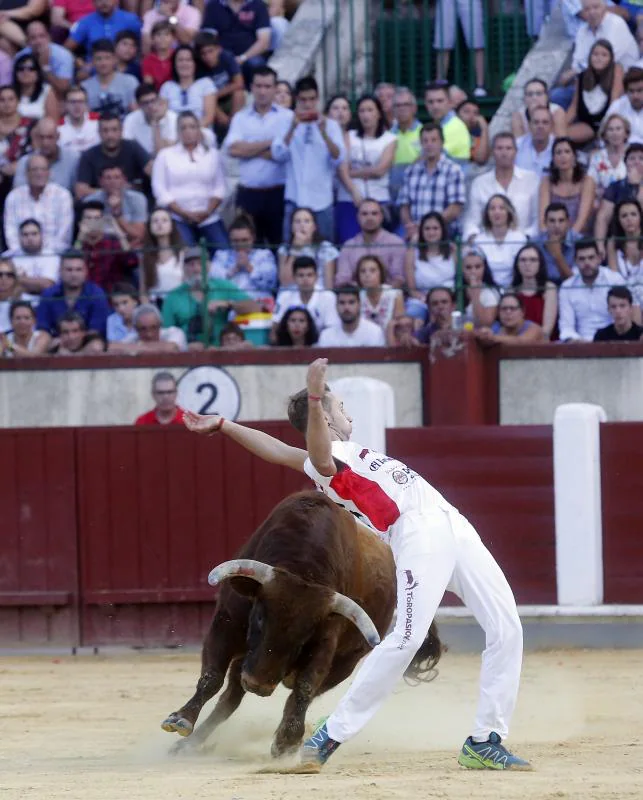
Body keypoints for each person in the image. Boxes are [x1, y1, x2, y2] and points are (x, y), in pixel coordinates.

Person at [182, 356, 530, 772]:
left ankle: (485, 740)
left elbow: (276, 451)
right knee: (404, 637)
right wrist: (314, 397)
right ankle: (329, 736)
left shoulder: (340, 454)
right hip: (418, 532)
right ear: (326, 419)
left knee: (507, 626)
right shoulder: (327, 463)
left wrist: (224, 425)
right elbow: (314, 452)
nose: (350, 414)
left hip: (452, 523)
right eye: (342, 408)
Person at [223, 65, 293, 248]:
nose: (262, 91)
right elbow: (234, 150)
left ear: (275, 88)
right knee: (250, 248)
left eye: (267, 86)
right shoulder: (240, 118)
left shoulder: (287, 118)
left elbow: (285, 154)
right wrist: (270, 142)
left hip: (278, 192)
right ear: (251, 88)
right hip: (249, 193)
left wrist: (250, 149)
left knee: (280, 246)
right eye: (258, 86)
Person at [272, 75, 346, 242]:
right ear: (297, 99)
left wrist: (324, 132)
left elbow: (339, 158)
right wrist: (293, 127)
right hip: (294, 197)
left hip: (322, 201)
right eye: (303, 100)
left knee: (325, 250)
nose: (308, 104)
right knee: (291, 248)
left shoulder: (331, 126)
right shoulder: (285, 122)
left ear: (317, 99)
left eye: (312, 99)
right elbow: (278, 154)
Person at [151, 110, 227, 249]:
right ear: (177, 131)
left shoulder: (212, 155)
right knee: (185, 254)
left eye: (192, 127)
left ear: (199, 130)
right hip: (178, 217)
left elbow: (220, 187)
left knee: (224, 252)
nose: (188, 131)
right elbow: (159, 189)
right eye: (183, 127)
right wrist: (184, 213)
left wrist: (208, 211)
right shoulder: (165, 155)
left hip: (208, 216)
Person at [161, 246, 259, 347]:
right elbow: (166, 332)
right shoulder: (173, 297)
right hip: (189, 351)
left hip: (222, 349)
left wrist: (229, 304)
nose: (196, 269)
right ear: (184, 268)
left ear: (209, 266)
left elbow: (255, 307)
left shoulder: (223, 286)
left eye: (201, 263)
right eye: (191, 265)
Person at [552, 0, 638, 111]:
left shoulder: (616, 23)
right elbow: (577, 62)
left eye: (596, 7)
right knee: (556, 96)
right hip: (592, 82)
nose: (592, 12)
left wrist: (574, 72)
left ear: (604, 8)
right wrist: (573, 73)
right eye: (587, 9)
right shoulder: (582, 30)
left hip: (619, 83)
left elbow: (605, 62)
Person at [335, 94, 397, 244]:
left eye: (370, 110)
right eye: (362, 111)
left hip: (379, 198)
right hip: (349, 199)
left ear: (378, 113)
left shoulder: (390, 139)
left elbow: (380, 170)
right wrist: (354, 191)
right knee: (349, 243)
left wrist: (352, 172)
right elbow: (341, 169)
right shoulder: (349, 136)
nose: (366, 115)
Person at [398, 122, 466, 240]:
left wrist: (427, 227)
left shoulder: (453, 170)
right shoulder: (411, 171)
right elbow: (404, 206)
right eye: (425, 141)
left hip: (444, 233)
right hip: (415, 234)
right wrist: (410, 226)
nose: (429, 145)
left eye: (434, 140)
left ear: (442, 143)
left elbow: (455, 208)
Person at [464, 133, 540, 239]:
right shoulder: (479, 183)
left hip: (524, 246)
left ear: (516, 152)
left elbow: (537, 220)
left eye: (508, 148)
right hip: (487, 247)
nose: (504, 153)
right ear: (492, 152)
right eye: (499, 148)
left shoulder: (532, 179)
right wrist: (478, 242)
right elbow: (471, 222)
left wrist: (523, 240)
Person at [4, 153, 74, 252]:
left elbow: (64, 235)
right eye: (34, 169)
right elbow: (10, 232)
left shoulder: (62, 196)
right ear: (26, 173)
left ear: (49, 173)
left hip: (55, 256)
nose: (39, 173)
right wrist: (21, 256)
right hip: (20, 256)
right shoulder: (14, 197)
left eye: (43, 169)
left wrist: (44, 256)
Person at [75, 112, 152, 200]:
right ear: (99, 132)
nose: (110, 135)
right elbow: (80, 191)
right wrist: (111, 191)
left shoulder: (133, 147)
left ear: (121, 131)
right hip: (100, 205)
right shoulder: (88, 156)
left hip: (132, 201)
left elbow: (153, 172)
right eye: (105, 130)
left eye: (114, 130)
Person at [559, 239, 626, 340]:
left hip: (613, 342)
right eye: (582, 259)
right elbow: (566, 327)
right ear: (575, 261)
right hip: (580, 346)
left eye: (591, 258)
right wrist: (578, 343)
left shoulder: (615, 280)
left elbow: (624, 319)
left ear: (599, 258)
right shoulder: (567, 287)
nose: (587, 263)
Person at [36, 249, 111, 338]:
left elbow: (95, 331)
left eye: (78, 270)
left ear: (86, 272)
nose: (74, 274)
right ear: (60, 271)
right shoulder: (48, 295)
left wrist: (71, 344)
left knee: (95, 346)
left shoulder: (97, 294)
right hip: (55, 345)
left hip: (87, 344)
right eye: (69, 270)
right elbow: (43, 329)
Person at [335, 199, 406, 288]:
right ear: (358, 217)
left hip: (387, 296)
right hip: (357, 297)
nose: (369, 218)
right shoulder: (348, 246)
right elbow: (342, 280)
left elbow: (399, 279)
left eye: (374, 213)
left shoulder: (396, 243)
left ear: (381, 217)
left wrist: (378, 294)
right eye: (364, 214)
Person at [201, 0, 272, 88]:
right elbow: (208, 39)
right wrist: (226, 58)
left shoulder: (258, 5)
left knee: (256, 63)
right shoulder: (213, 6)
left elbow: (264, 42)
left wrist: (242, 58)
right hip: (222, 56)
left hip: (249, 56)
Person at [565, 39, 623, 145]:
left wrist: (606, 128)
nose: (599, 58)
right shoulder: (582, 76)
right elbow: (574, 107)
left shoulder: (616, 72)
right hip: (586, 122)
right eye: (595, 54)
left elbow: (614, 104)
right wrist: (561, 124)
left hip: (604, 123)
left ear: (610, 59)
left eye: (604, 55)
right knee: (561, 134)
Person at [210, 212, 277, 303]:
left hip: (257, 305)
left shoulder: (265, 255)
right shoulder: (221, 255)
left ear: (253, 238)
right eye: (235, 241)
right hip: (228, 304)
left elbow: (270, 284)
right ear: (230, 239)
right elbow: (214, 282)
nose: (240, 244)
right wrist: (234, 269)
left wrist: (249, 267)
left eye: (244, 240)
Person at [74, 199, 138, 291]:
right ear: (81, 223)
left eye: (97, 219)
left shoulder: (113, 244)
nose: (93, 222)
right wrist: (80, 237)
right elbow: (72, 259)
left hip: (110, 298)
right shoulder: (79, 245)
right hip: (85, 297)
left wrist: (119, 233)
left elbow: (132, 261)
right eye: (88, 218)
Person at [271, 255, 339, 342]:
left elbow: (331, 331)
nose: (305, 279)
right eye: (301, 275)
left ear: (316, 277)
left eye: (309, 275)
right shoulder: (285, 296)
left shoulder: (328, 297)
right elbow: (274, 329)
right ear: (294, 277)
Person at [539, 137, 596, 233]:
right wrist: (549, 239)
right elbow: (543, 219)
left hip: (579, 237)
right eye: (558, 152)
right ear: (553, 159)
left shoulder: (587, 181)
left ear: (574, 157)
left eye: (567, 152)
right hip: (552, 237)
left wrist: (568, 240)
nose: (563, 156)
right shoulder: (546, 181)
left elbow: (582, 219)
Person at [594, 142, 643, 255]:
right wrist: (600, 245)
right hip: (619, 242)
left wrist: (637, 186)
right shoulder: (615, 187)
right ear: (625, 163)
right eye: (632, 158)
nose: (637, 162)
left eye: (641, 158)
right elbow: (603, 217)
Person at [85, 163, 148, 248]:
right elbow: (88, 233)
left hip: (131, 247)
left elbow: (139, 235)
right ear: (100, 181)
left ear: (124, 180)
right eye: (108, 178)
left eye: (117, 177)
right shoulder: (90, 201)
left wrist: (117, 213)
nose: (113, 181)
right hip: (100, 247)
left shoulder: (137, 199)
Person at [404, 212, 456, 315]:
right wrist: (427, 301)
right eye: (427, 229)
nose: (431, 233)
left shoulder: (453, 250)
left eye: (435, 228)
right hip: (421, 300)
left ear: (442, 230)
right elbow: (412, 290)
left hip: (449, 301)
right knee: (413, 315)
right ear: (421, 231)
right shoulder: (412, 252)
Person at [194, 30, 245, 133]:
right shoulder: (198, 67)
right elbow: (202, 95)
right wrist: (218, 112)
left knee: (239, 94)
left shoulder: (227, 57)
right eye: (203, 53)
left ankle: (234, 127)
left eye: (211, 51)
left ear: (218, 49)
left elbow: (239, 83)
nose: (208, 57)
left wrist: (215, 94)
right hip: (210, 103)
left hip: (227, 97)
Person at [472, 195, 528, 288]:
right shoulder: (479, 240)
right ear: (487, 214)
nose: (496, 212)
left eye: (502, 208)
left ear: (508, 212)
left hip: (515, 289)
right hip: (486, 289)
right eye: (492, 208)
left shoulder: (519, 238)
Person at [12, 116, 79, 192]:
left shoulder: (73, 158)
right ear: (36, 138)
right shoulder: (25, 162)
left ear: (58, 136)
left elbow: (78, 191)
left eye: (50, 137)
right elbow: (18, 193)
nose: (45, 143)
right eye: (41, 137)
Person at [278, 206, 338, 289]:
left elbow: (329, 285)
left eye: (307, 221)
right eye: (297, 221)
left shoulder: (326, 248)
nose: (302, 225)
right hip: (292, 294)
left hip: (318, 295)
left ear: (314, 227)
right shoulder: (285, 249)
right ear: (292, 227)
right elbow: (285, 282)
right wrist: (295, 250)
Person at [159, 46, 216, 129]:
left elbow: (208, 118)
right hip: (173, 133)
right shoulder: (167, 87)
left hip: (201, 130)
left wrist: (190, 131)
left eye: (188, 60)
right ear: (174, 64)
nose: (184, 63)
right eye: (180, 60)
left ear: (195, 63)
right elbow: (162, 116)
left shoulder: (206, 83)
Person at [510, 244, 559, 339]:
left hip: (543, 344)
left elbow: (547, 330)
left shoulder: (549, 288)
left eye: (533, 260)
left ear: (540, 264)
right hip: (516, 343)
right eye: (523, 260)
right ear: (517, 264)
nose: (527, 264)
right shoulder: (512, 290)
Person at [17, 21, 74, 101]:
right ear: (27, 41)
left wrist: (45, 67)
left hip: (58, 98)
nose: (38, 41)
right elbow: (16, 85)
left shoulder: (63, 55)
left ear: (49, 37)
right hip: (28, 97)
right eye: (33, 38)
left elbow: (63, 89)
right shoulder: (20, 57)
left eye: (42, 36)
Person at [81, 38, 138, 117]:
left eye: (107, 58)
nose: (103, 63)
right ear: (93, 61)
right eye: (98, 59)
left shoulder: (130, 82)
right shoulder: (85, 87)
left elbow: (136, 114)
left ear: (115, 59)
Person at [356, 254, 404, 345]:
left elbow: (399, 329)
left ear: (380, 273)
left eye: (372, 270)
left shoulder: (395, 295)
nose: (367, 274)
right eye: (362, 271)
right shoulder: (356, 297)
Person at [316, 285, 385, 347]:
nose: (346, 307)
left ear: (359, 304)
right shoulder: (326, 336)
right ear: (336, 306)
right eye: (342, 303)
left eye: (351, 302)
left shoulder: (375, 332)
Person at [64, 0, 141, 55]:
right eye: (99, 0)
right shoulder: (85, 22)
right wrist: (79, 63)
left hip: (124, 69)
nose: (104, 2)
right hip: (93, 69)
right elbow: (66, 49)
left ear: (116, 1)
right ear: (93, 3)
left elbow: (140, 45)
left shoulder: (131, 20)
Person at [141, 206, 185, 301]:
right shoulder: (145, 256)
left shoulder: (183, 253)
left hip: (178, 303)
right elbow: (143, 291)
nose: (159, 224)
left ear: (172, 225)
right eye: (155, 221)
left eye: (164, 220)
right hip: (155, 305)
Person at [8, 217, 59, 298]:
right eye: (25, 234)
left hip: (44, 304)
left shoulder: (52, 256)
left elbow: (48, 286)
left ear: (42, 235)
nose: (30, 238)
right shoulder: (8, 257)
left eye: (34, 234)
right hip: (15, 304)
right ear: (19, 237)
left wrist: (14, 278)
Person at [123, 83, 178, 156]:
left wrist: (155, 122)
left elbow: (163, 154)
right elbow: (126, 148)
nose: (150, 106)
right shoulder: (130, 119)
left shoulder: (173, 118)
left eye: (153, 100)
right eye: (145, 103)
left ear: (159, 99)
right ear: (139, 105)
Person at [607, 198, 643, 310]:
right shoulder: (612, 243)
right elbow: (614, 276)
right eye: (624, 216)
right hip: (623, 295)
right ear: (618, 220)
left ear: (640, 217)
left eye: (633, 214)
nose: (629, 219)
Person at [109, 302, 187, 352]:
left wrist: (137, 347)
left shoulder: (174, 332)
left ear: (160, 325)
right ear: (135, 329)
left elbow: (171, 348)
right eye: (143, 329)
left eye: (154, 328)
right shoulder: (132, 338)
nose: (149, 334)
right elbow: (111, 347)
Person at [389, 87, 421, 207]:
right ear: (393, 109)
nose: (402, 108)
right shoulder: (388, 136)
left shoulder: (424, 133)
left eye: (406, 104)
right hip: (393, 195)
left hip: (416, 195)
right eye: (398, 105)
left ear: (414, 108)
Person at [533, 202, 580, 283]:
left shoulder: (580, 242)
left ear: (568, 222)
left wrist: (557, 255)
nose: (556, 225)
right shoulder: (534, 244)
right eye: (552, 221)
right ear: (545, 222)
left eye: (561, 220)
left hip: (570, 290)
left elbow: (576, 283)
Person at [587, 113, 629, 202]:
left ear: (626, 133)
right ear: (605, 135)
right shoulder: (596, 158)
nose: (615, 133)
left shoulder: (634, 155)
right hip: (602, 202)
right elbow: (591, 185)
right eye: (610, 129)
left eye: (618, 129)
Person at [424, 81, 471, 162]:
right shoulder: (438, 125)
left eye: (440, 101)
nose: (435, 106)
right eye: (431, 102)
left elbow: (430, 158)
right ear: (426, 104)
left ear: (450, 102)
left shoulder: (455, 126)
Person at [476, 292, 545, 346]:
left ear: (522, 312)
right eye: (504, 309)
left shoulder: (534, 328)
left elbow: (522, 342)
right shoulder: (496, 328)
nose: (508, 312)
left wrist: (493, 338)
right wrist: (483, 335)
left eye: (513, 308)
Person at [461, 247, 500, 328]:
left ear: (484, 268)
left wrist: (475, 296)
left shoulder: (490, 292)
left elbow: (485, 323)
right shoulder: (457, 290)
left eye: (477, 267)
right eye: (468, 267)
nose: (473, 271)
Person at [13, 52, 58, 121]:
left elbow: (52, 122)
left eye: (31, 68)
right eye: (21, 68)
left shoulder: (47, 90)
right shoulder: (9, 91)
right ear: (15, 73)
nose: (25, 72)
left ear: (38, 73)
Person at [603, 66, 643, 144]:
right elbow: (604, 136)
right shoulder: (617, 106)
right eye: (631, 91)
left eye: (640, 90)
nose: (635, 96)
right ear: (625, 91)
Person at [57, 85, 100, 153]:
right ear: (65, 104)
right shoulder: (58, 127)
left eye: (80, 102)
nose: (77, 106)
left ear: (86, 104)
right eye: (72, 102)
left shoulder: (98, 121)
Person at [515, 105, 555, 177]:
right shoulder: (516, 146)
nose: (540, 126)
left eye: (545, 122)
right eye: (536, 122)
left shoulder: (560, 148)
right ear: (529, 125)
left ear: (551, 126)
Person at [141, 20, 175, 91]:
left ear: (173, 38)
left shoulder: (178, 56)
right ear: (152, 39)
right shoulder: (147, 60)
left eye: (167, 34)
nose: (163, 38)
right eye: (158, 34)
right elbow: (148, 86)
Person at [456, 97, 491, 166]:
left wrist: (484, 129)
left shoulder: (477, 138)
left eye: (475, 113)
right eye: (467, 111)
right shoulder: (447, 131)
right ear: (457, 115)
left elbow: (481, 159)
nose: (471, 116)